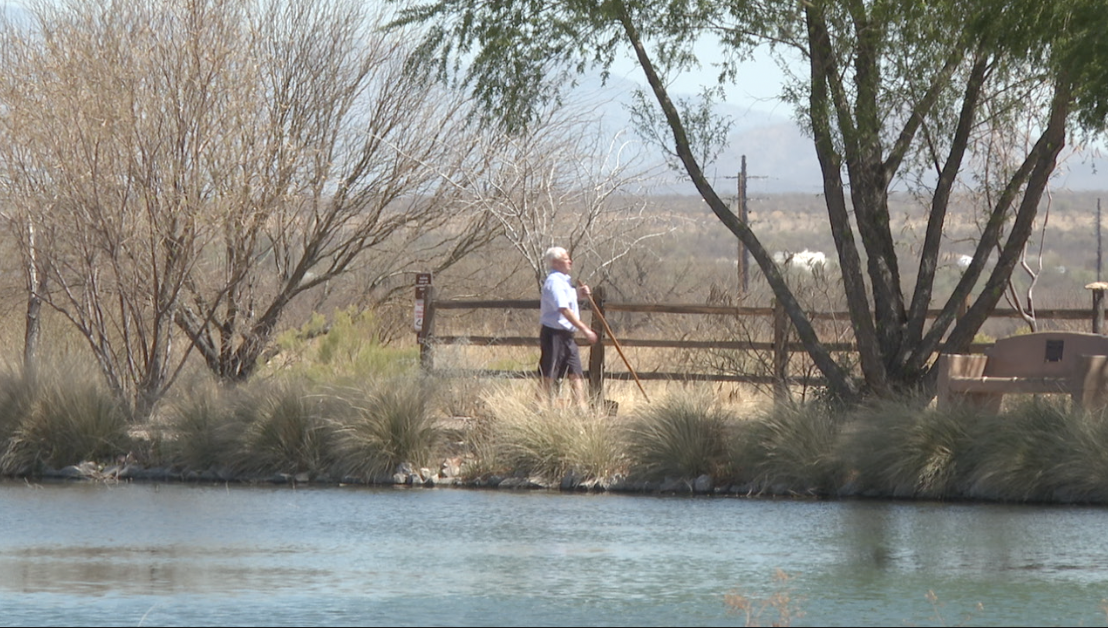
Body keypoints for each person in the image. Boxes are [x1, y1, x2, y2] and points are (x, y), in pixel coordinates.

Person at [538, 246, 598, 407]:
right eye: (566, 259)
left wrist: (579, 293)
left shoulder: (564, 281)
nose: (570, 261)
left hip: (567, 336)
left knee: (575, 372)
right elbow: (563, 309)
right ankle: (539, 407)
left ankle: (581, 408)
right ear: (556, 262)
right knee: (549, 373)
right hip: (554, 335)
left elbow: (569, 297)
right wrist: (585, 329)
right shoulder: (553, 282)